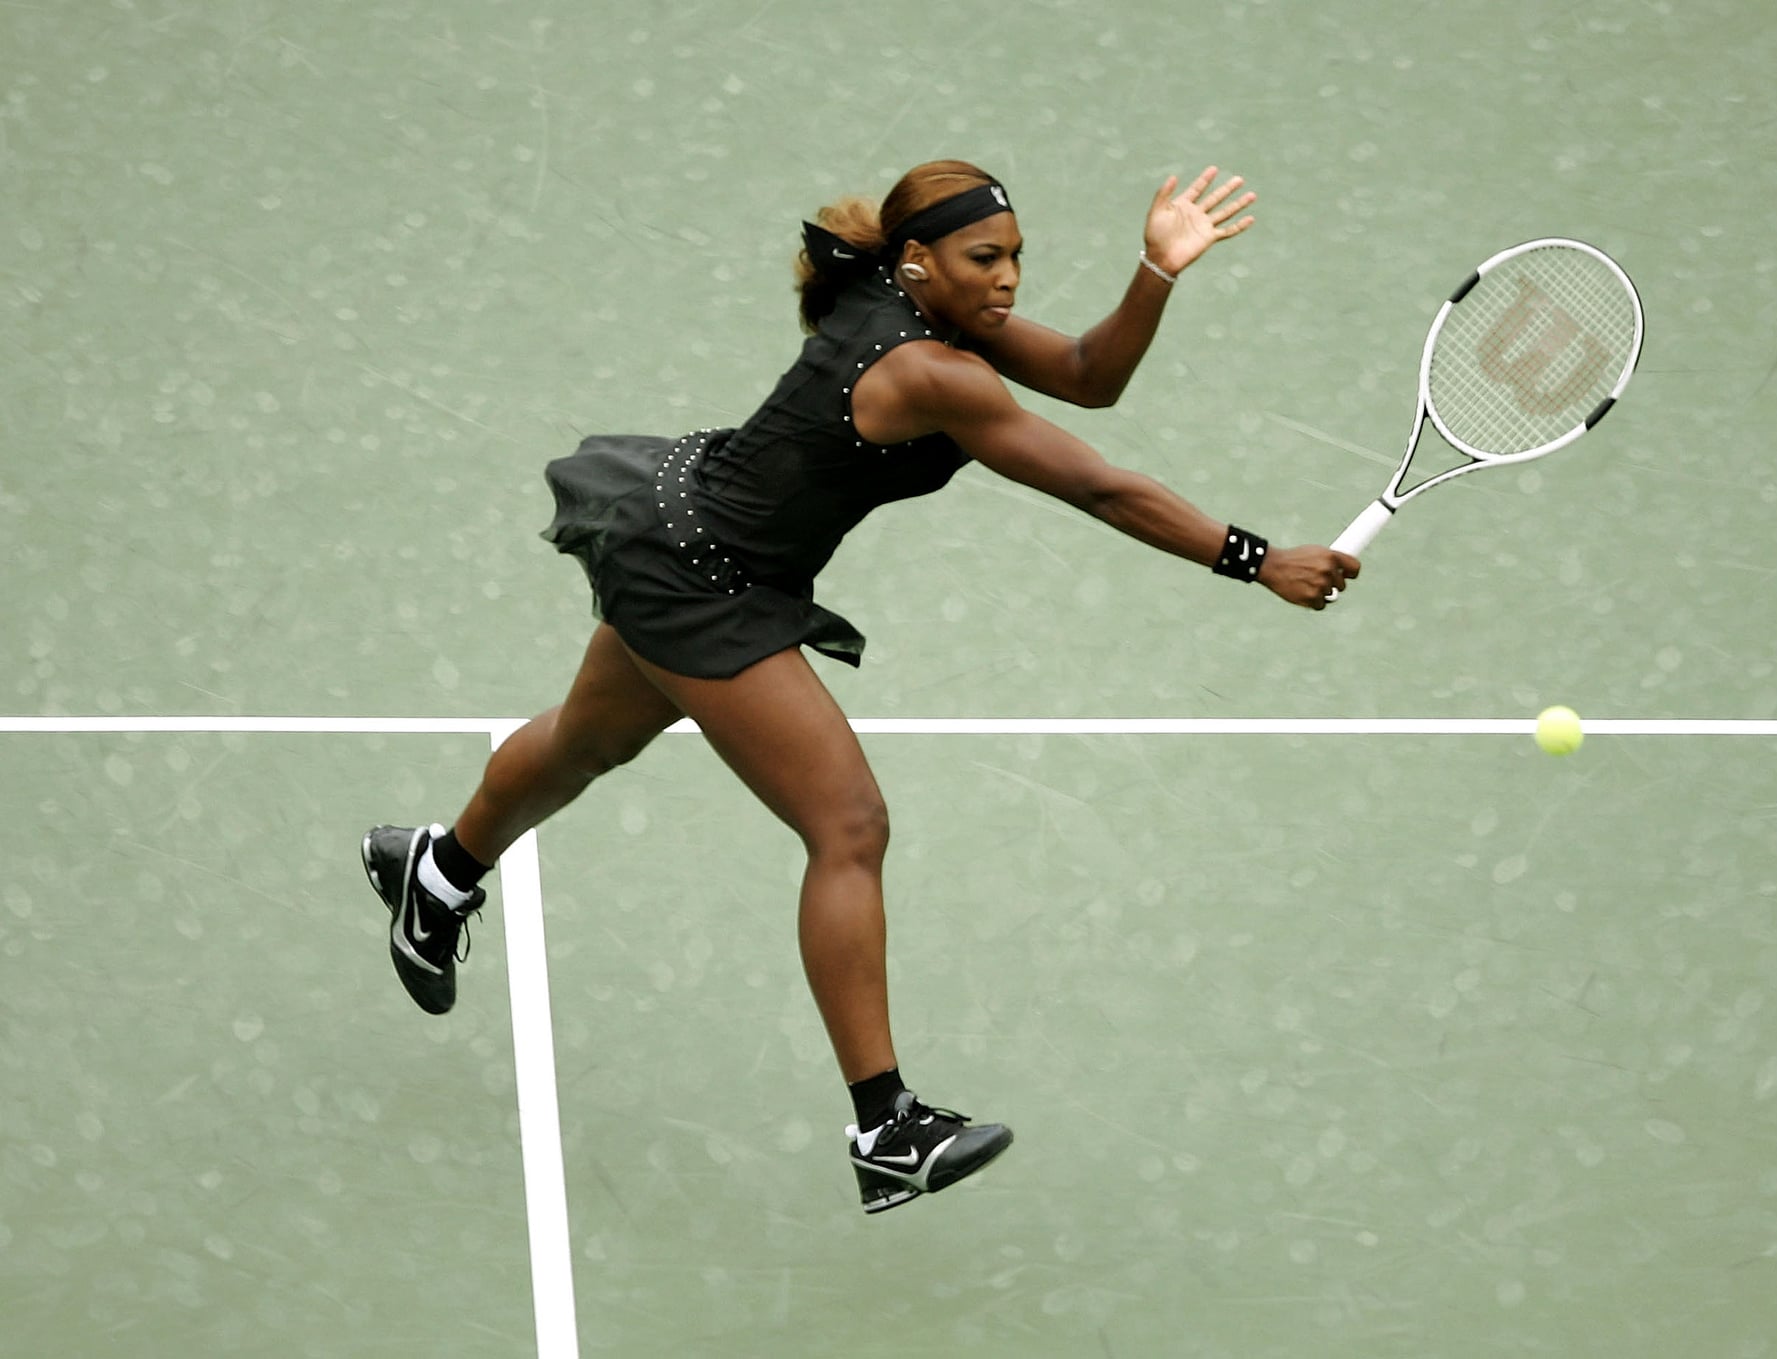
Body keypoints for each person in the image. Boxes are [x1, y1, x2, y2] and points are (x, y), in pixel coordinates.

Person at [361, 159, 1361, 1215]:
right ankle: (887, 1128)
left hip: (681, 525)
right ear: (918, 260)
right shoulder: (931, 371)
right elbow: (1100, 487)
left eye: (1017, 257)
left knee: (585, 743)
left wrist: (1156, 271)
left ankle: (435, 870)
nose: (1008, 278)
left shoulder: (928, 307)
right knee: (848, 826)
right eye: (986, 258)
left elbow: (1084, 374)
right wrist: (1258, 560)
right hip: (705, 576)